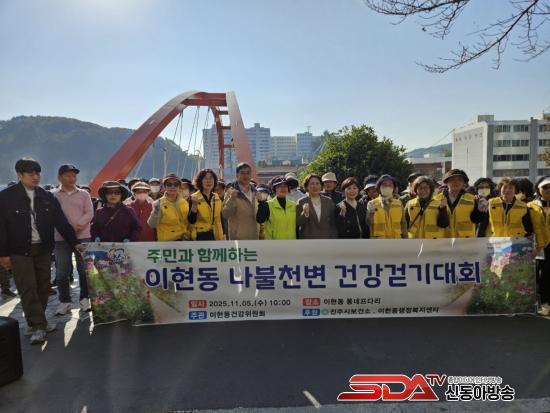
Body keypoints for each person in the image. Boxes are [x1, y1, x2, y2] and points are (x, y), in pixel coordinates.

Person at [0, 158, 85, 344]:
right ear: (19, 175)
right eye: (30, 173)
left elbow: (61, 222)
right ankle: (38, 326)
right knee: (27, 287)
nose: (35, 177)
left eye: (37, 173)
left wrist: (75, 243)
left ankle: (37, 321)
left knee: (44, 287)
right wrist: (3, 254)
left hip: (43, 248)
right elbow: (1, 228)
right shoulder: (6, 197)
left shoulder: (46, 196)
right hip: (18, 250)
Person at [51, 164, 94, 314]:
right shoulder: (52, 195)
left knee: (84, 270)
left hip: (83, 237)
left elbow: (89, 213)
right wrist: (66, 230)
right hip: (60, 238)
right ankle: (65, 301)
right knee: (62, 272)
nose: (71, 178)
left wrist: (77, 225)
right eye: (68, 175)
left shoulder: (84, 194)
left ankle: (85, 299)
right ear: (59, 177)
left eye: (74, 176)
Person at [433, 169, 486, 238]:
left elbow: (476, 220)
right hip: (444, 240)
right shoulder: (436, 199)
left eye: (460, 180)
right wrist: (442, 209)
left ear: (464, 182)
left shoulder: (472, 199)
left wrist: (480, 211)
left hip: (465, 240)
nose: (456, 182)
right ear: (446, 182)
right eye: (453, 179)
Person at [222, 162, 261, 240]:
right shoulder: (230, 192)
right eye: (242, 173)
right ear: (237, 175)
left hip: (255, 237)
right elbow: (225, 214)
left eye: (248, 173)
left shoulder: (256, 192)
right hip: (238, 239)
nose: (245, 176)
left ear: (251, 175)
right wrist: (232, 199)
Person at [528, 176, 550, 315]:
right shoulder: (530, 206)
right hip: (538, 246)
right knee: (540, 276)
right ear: (538, 189)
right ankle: (543, 304)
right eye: (545, 187)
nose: (548, 190)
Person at [147, 174, 191, 241]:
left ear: (179, 187)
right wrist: (156, 211)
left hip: (184, 240)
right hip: (167, 242)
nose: (172, 187)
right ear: (164, 187)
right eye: (169, 184)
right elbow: (152, 224)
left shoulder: (184, 202)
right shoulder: (158, 203)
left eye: (176, 184)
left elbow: (188, 223)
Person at [297, 173, 337, 239]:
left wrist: (333, 239)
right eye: (312, 184)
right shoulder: (301, 202)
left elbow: (333, 223)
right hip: (308, 240)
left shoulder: (328, 201)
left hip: (326, 239)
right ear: (306, 186)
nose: (315, 186)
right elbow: (298, 223)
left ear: (321, 185)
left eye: (317, 183)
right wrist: (305, 213)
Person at [367, 175, 407, 239]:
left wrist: (405, 239)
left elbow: (403, 224)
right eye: (384, 184)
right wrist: (371, 213)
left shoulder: (399, 203)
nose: (387, 187)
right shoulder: (372, 203)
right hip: (379, 241)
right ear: (379, 188)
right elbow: (368, 223)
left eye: (390, 185)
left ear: (393, 188)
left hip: (397, 240)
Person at [188, 169, 224, 240]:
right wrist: (194, 205)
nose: (208, 181)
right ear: (200, 181)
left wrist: (224, 234)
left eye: (211, 178)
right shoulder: (193, 197)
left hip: (216, 235)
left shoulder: (216, 197)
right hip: (200, 236)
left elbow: (220, 218)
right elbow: (191, 220)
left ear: (214, 181)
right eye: (205, 178)